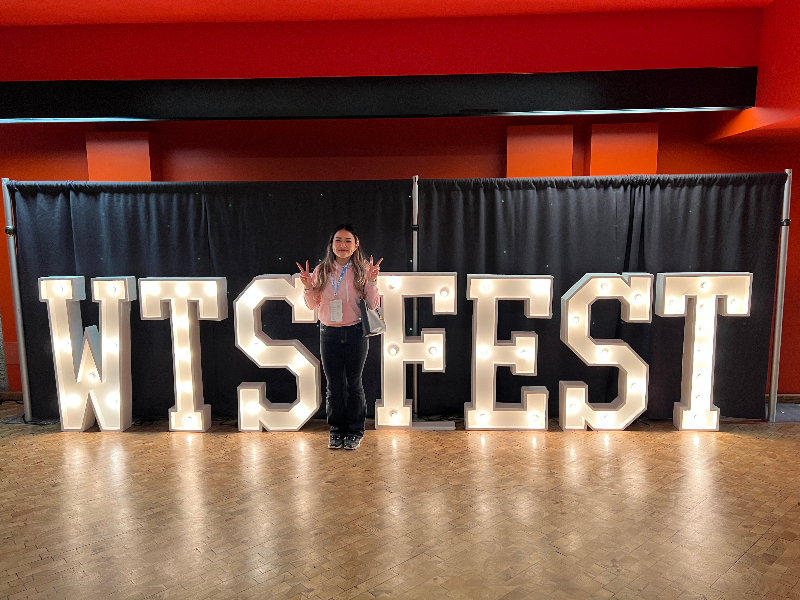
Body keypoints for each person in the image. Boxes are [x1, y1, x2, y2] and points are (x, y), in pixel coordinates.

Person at [296, 224, 382, 450]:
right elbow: (312, 304)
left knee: (354, 384)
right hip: (329, 333)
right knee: (333, 386)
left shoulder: (363, 269)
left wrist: (372, 282)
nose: (342, 245)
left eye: (347, 241)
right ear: (331, 244)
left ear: (356, 245)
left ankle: (355, 430)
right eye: (338, 240)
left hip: (355, 333)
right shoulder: (321, 270)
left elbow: (373, 305)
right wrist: (307, 287)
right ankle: (336, 430)